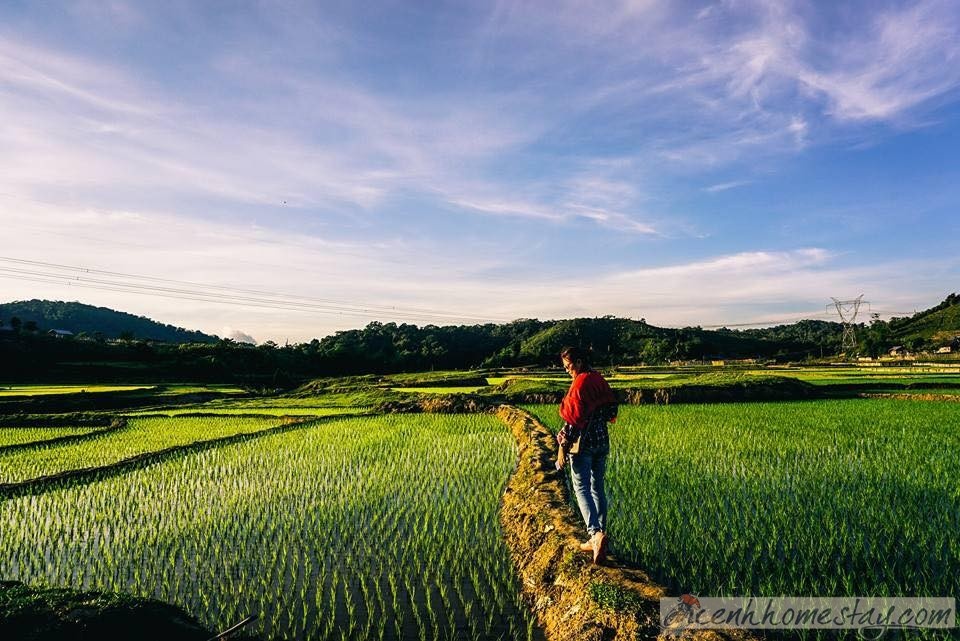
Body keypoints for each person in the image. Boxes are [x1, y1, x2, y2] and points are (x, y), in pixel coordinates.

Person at [555, 346, 618, 564]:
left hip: (584, 446)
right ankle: (600, 535)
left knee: (581, 488)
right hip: (602, 442)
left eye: (568, 366)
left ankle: (595, 535)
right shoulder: (599, 379)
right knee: (597, 487)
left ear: (579, 362)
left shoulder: (581, 383)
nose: (567, 371)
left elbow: (573, 420)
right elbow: (611, 410)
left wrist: (562, 444)